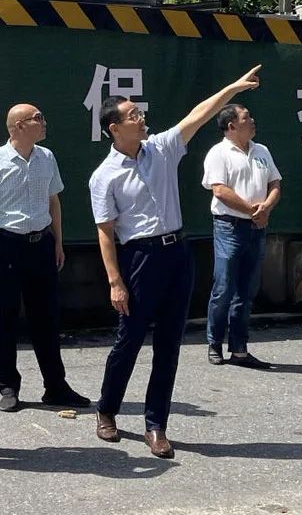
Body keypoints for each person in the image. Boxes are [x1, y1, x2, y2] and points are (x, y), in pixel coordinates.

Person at [88, 65, 262, 459]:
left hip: (176, 254)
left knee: (169, 344)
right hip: (139, 258)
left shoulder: (162, 147)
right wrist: (115, 281)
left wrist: (233, 87)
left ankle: (156, 425)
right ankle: (107, 409)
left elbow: (199, 114)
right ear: (115, 128)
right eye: (133, 115)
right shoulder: (104, 176)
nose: (141, 118)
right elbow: (105, 232)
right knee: (129, 339)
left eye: (140, 112)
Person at [0, 104, 90, 413]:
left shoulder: (46, 157)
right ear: (18, 126)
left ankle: (56, 386)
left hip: (41, 245)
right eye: (37, 118)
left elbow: (54, 201)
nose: (44, 122)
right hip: (6, 247)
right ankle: (8, 386)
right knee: (5, 318)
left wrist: (58, 242)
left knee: (46, 318)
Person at [201, 104, 281, 368]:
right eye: (246, 118)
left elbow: (275, 183)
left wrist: (266, 207)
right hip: (229, 227)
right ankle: (214, 343)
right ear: (231, 126)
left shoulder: (262, 151)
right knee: (224, 287)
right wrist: (252, 210)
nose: (252, 120)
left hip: (257, 228)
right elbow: (219, 190)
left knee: (247, 290)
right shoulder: (219, 153)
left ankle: (239, 349)